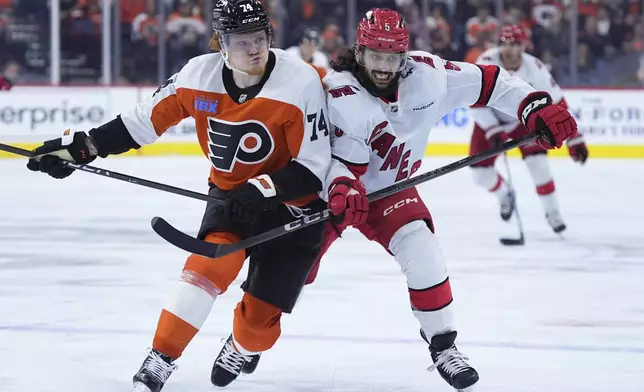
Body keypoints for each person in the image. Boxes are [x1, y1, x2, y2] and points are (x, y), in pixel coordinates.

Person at [23, 1, 366, 391]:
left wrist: (263, 188)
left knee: (258, 326)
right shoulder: (196, 77)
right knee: (204, 271)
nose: (254, 49)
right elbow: (140, 123)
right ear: (220, 42)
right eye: (241, 41)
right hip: (232, 199)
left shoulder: (300, 81)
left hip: (295, 208)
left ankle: (241, 345)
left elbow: (313, 166)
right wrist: (82, 148)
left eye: (260, 38)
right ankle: (160, 358)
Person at [302, 9, 576, 392]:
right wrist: (336, 187)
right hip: (333, 194)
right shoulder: (333, 90)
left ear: (405, 56)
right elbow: (310, 152)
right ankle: (247, 338)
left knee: (424, 250)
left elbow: (492, 82)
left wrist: (532, 106)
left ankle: (444, 346)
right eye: (375, 56)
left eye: (392, 57)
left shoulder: (428, 76)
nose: (383, 67)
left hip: (391, 193)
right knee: (290, 273)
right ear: (359, 52)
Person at [469, 25, 588, 233]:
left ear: (523, 45)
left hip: (523, 120)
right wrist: (493, 129)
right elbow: (474, 101)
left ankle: (553, 213)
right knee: (480, 175)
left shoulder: (535, 68)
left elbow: (557, 104)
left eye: (514, 44)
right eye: (504, 43)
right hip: (490, 120)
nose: (508, 48)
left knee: (539, 164)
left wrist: (574, 138)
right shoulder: (486, 62)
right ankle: (504, 194)